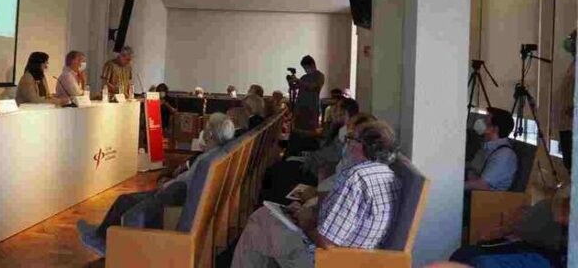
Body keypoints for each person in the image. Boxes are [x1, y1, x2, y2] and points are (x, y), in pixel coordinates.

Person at [232, 121, 401, 268]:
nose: (347, 145)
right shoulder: (389, 175)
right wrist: (308, 214)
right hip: (359, 256)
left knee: (259, 222)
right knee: (266, 219)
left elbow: (327, 242)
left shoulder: (356, 178)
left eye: (350, 139)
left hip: (328, 260)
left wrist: (306, 221)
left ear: (363, 145)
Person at [76, 113, 236, 256]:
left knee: (125, 202)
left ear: (210, 134)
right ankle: (102, 235)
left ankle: (102, 241)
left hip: (173, 197)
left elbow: (183, 183)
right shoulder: (214, 155)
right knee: (125, 201)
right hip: (176, 193)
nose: (203, 131)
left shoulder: (205, 160)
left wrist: (167, 183)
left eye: (206, 128)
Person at [450, 186, 570, 267]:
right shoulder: (546, 210)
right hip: (541, 248)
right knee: (464, 255)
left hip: (553, 258)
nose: (559, 219)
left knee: (481, 262)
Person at [465, 108, 518, 191]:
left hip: (485, 197)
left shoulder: (504, 155)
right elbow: (473, 170)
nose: (481, 123)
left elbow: (482, 185)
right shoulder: (487, 147)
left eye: (485, 121)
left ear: (495, 129)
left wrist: (455, 187)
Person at [555, 29, 575, 172]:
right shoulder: (574, 63)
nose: (569, 42)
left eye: (573, 39)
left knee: (572, 163)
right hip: (566, 123)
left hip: (572, 124)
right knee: (568, 163)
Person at [290, 55, 325, 133]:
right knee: (298, 131)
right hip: (300, 108)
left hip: (311, 108)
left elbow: (313, 86)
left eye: (306, 68)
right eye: (304, 68)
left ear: (312, 65)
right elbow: (296, 87)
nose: (305, 70)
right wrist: (292, 82)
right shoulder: (304, 77)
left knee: (310, 132)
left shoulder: (319, 76)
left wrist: (298, 81)